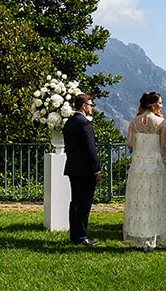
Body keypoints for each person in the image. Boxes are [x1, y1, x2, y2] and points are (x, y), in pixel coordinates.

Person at [123, 92, 166, 251]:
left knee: (139, 199)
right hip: (155, 165)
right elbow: (164, 148)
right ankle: (152, 237)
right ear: (153, 104)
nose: (161, 105)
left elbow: (130, 144)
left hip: (139, 165)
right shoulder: (160, 122)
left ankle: (139, 236)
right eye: (160, 103)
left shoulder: (134, 121)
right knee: (153, 200)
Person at [63, 93, 102, 247]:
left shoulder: (69, 122)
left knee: (75, 202)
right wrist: (96, 169)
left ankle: (74, 235)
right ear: (84, 106)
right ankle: (81, 236)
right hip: (86, 170)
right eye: (90, 105)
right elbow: (91, 149)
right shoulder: (85, 123)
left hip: (72, 167)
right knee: (84, 204)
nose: (91, 108)